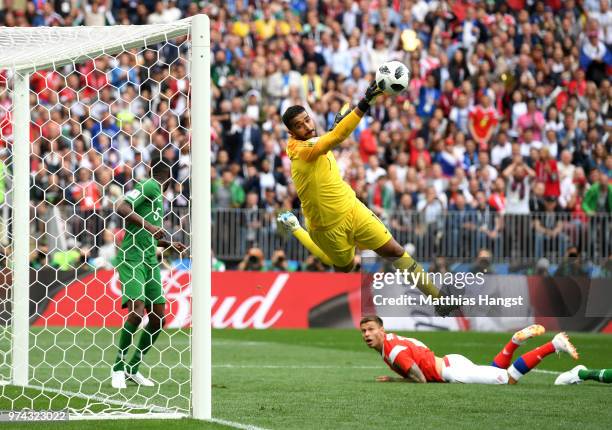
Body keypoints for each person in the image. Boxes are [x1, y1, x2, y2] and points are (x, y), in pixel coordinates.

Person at [275, 82, 449, 314]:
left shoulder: (313, 143)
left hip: (352, 208)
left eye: (307, 120)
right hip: (325, 227)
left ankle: (437, 298)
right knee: (344, 267)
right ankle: (296, 228)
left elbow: (328, 139)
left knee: (395, 251)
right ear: (291, 133)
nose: (307, 126)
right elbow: (335, 138)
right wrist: (366, 102)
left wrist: (336, 127)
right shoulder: (301, 151)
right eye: (299, 125)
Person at [111, 151, 187, 389]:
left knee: (158, 318)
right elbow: (120, 206)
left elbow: (148, 235)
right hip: (132, 259)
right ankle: (118, 368)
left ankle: (133, 368)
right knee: (137, 311)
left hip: (150, 261)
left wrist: (168, 243)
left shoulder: (158, 197)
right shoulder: (149, 185)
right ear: (170, 175)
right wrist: (150, 225)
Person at [360, 315, 578, 384]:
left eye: (370, 329)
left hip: (452, 372)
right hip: (450, 360)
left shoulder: (393, 350)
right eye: (363, 331)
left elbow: (421, 379)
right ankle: (514, 343)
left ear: (382, 329)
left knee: (509, 379)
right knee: (493, 370)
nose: (367, 334)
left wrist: (396, 379)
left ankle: (554, 344)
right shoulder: (391, 340)